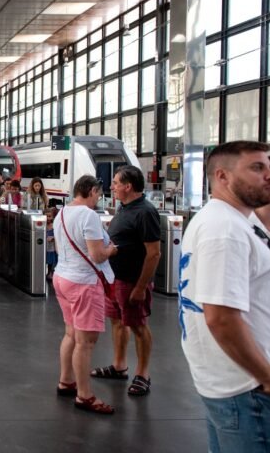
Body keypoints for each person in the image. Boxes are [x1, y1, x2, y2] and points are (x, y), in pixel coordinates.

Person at [179, 141, 270, 451]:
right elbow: (220, 318)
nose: (268, 174)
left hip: (230, 383)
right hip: (248, 388)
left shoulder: (220, 220)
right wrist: (266, 376)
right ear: (222, 176)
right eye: (257, 167)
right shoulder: (226, 229)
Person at [92, 166, 161, 396]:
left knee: (138, 325)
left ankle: (143, 374)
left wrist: (141, 287)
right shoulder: (124, 208)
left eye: (115, 183)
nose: (112, 187)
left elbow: (154, 254)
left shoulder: (146, 212)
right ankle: (119, 365)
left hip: (133, 280)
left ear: (128, 186)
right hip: (115, 278)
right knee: (117, 321)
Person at [53, 175, 117, 415]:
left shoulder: (61, 213)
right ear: (91, 191)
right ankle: (84, 394)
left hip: (62, 277)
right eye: (98, 194)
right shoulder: (88, 216)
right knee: (86, 342)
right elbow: (97, 255)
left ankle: (66, 381)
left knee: (71, 333)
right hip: (83, 283)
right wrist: (112, 250)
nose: (98, 198)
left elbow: (60, 248)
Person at [45, 207, 58, 281]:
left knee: (52, 261)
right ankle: (47, 272)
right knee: (46, 260)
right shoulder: (43, 225)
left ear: (53, 217)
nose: (48, 218)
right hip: (45, 247)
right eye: (46, 216)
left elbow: (57, 235)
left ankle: (51, 273)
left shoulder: (54, 226)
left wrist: (53, 238)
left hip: (52, 247)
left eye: (49, 216)